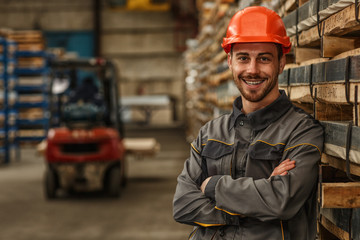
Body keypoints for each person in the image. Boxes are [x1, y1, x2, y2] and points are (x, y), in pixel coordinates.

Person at [173, 6, 324, 240]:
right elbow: (183, 204)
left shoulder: (302, 131)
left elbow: (282, 201)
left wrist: (213, 187)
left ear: (281, 63)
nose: (252, 70)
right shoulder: (210, 133)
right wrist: (254, 204)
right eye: (243, 58)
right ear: (230, 62)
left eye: (264, 59)